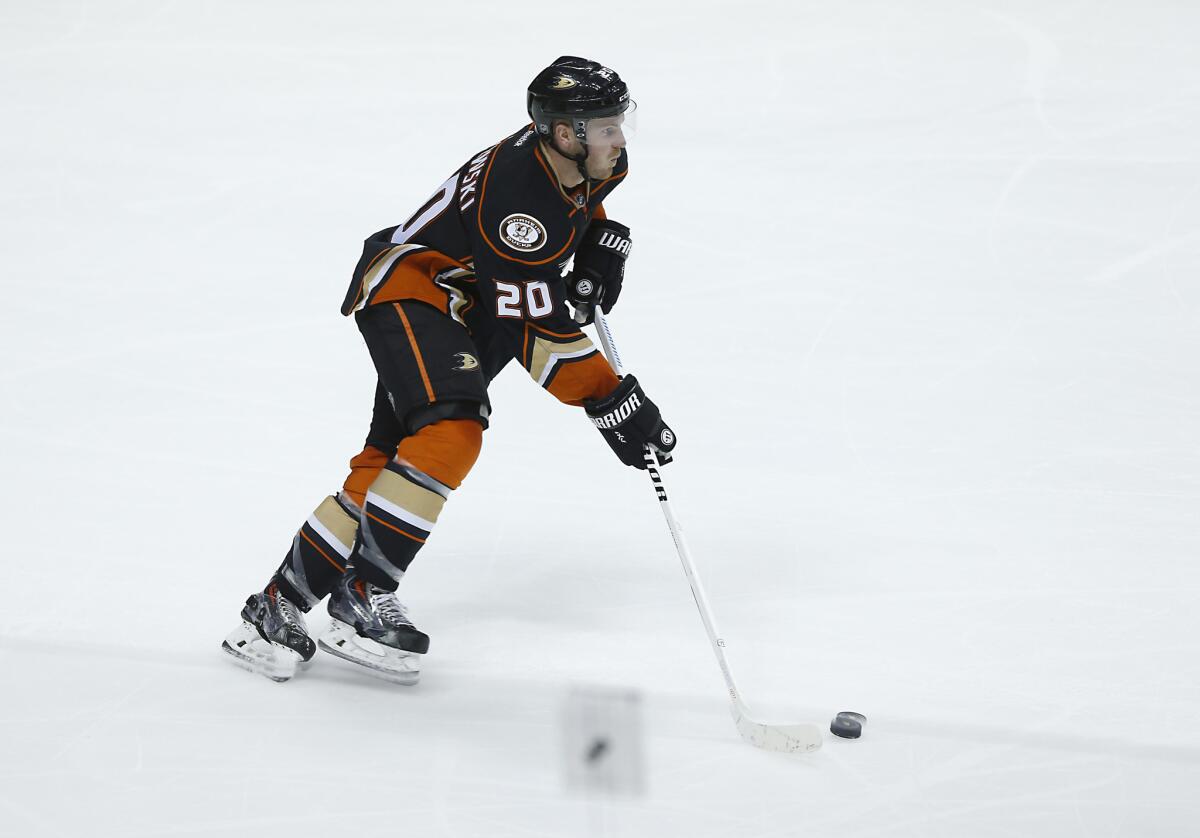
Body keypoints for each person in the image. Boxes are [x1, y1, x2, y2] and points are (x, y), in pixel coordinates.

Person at [222, 56, 677, 684]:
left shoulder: (583, 162)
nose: (618, 139)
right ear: (564, 133)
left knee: (391, 463)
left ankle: (274, 611)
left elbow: (576, 215)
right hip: (413, 289)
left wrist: (599, 242)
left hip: (470, 301)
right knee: (451, 430)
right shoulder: (517, 203)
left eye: (618, 122)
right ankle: (363, 596)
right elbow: (532, 327)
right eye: (604, 126)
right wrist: (612, 399)